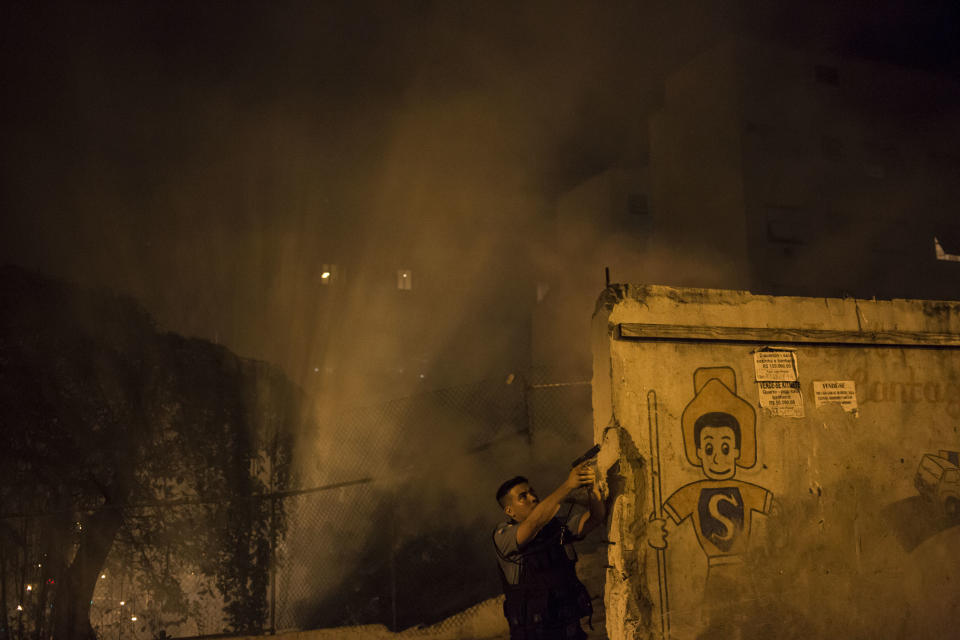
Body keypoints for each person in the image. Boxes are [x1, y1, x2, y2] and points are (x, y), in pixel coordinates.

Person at [493, 461, 606, 640]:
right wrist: (568, 485)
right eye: (523, 496)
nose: (533, 497)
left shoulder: (554, 528)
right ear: (509, 511)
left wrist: (589, 490)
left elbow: (596, 517)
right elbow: (533, 524)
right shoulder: (503, 536)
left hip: (570, 631)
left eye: (532, 492)